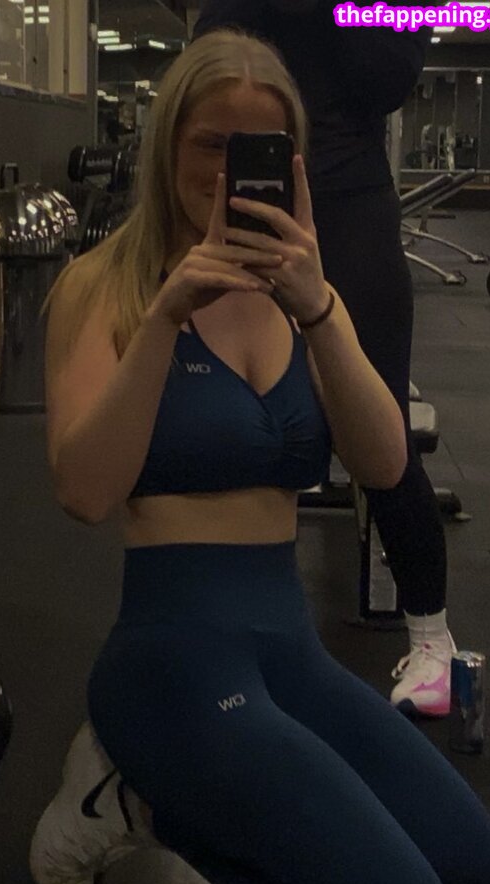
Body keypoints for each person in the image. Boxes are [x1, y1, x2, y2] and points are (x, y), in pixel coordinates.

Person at [30, 30, 490, 884]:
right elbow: (84, 492)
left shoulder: (304, 296)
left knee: (474, 875)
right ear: (167, 144)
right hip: (171, 662)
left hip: (286, 654)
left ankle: (160, 794)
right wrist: (165, 318)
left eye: (256, 151)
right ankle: (138, 796)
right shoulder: (104, 287)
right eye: (209, 144)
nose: (227, 173)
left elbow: (382, 464)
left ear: (292, 163)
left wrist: (319, 306)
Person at [193, 0, 455, 719]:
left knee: (383, 427)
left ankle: (431, 638)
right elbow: (209, 57)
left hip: (348, 204)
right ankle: (220, 622)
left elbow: (388, 79)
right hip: (243, 196)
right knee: (222, 413)